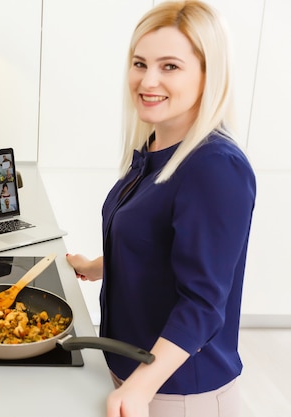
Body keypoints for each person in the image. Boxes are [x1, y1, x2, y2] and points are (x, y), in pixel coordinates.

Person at [65, 2, 256, 417]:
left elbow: (203, 303)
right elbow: (157, 242)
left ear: (209, 75)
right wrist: (97, 265)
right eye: (139, 63)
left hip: (177, 391)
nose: (147, 80)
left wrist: (139, 388)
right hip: (130, 370)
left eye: (170, 66)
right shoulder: (156, 146)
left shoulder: (214, 167)